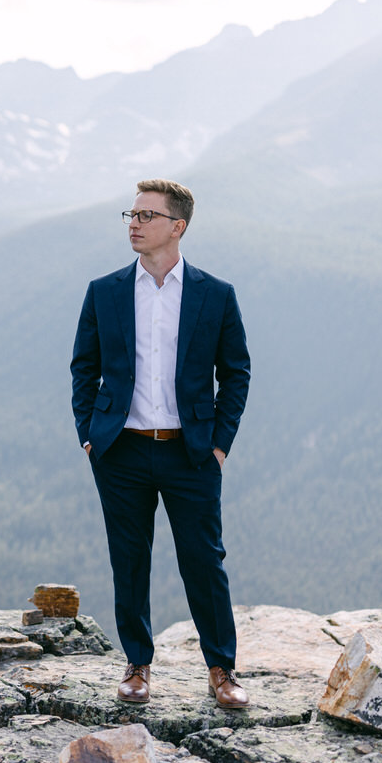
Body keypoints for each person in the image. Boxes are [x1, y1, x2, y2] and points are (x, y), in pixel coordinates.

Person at [69, 178, 251, 708]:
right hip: (119, 451)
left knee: (204, 560)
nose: (134, 222)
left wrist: (219, 445)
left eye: (146, 215)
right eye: (131, 213)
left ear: (178, 226)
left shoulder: (214, 294)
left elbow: (235, 372)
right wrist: (89, 435)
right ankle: (137, 666)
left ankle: (222, 670)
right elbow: (84, 367)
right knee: (129, 560)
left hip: (190, 452)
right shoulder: (104, 291)